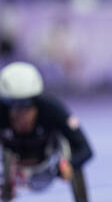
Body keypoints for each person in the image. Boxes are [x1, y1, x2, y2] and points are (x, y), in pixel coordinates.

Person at [0, 62, 93, 193]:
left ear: (36, 102)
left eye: (25, 105)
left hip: (45, 158)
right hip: (12, 153)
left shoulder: (51, 108)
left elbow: (85, 149)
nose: (20, 113)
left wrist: (68, 165)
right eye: (13, 105)